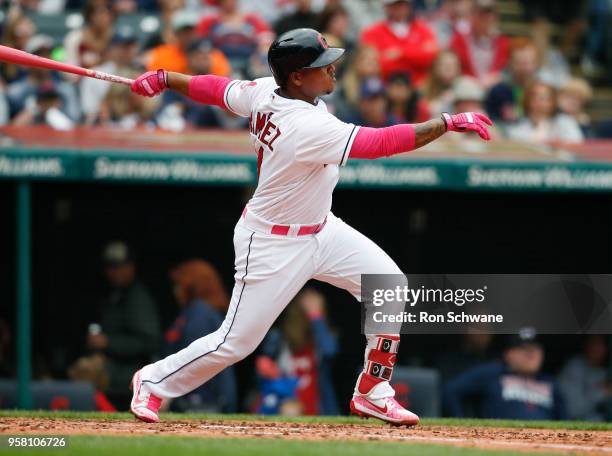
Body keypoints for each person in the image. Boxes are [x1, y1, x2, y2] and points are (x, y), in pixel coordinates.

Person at [127, 27, 492, 426]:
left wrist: (165, 78)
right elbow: (382, 143)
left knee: (390, 284)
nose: (333, 70)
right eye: (322, 66)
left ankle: (373, 391)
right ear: (298, 76)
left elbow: (215, 87)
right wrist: (446, 122)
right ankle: (152, 381)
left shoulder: (268, 90)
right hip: (272, 242)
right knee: (235, 342)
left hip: (321, 229)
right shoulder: (305, 126)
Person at [91, 241, 161, 409]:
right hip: (112, 376)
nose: (115, 272)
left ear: (131, 267)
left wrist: (108, 343)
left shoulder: (138, 298)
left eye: (121, 266)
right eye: (111, 267)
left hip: (129, 380)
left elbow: (150, 342)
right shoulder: (112, 294)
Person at [161, 259, 237, 413]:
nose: (175, 290)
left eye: (178, 284)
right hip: (195, 395)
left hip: (202, 399)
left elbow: (196, 359)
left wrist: (168, 390)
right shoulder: (192, 311)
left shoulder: (200, 313)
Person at [443, 329, 567, 420]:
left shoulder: (550, 382)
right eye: (524, 348)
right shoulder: (493, 373)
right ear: (508, 354)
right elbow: (451, 390)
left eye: (536, 348)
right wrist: (459, 423)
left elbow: (565, 420)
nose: (532, 354)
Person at [255, 287, 339, 415]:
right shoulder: (278, 338)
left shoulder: (323, 336)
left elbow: (329, 351)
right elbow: (261, 373)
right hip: (284, 407)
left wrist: (315, 316)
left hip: (318, 408)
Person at [360, 0, 438, 85]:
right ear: (386, 7)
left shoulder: (424, 30)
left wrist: (401, 53)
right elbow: (371, 64)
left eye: (402, 4)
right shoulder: (372, 33)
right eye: (395, 5)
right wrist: (416, 54)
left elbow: (431, 57)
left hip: (419, 87)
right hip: (385, 88)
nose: (399, 8)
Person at [80, 26, 140, 125]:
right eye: (124, 46)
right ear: (112, 48)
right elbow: (89, 114)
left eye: (132, 46)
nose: (129, 50)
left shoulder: (142, 74)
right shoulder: (95, 75)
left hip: (138, 127)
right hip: (106, 128)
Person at [147, 9, 231, 76]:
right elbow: (156, 80)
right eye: (184, 31)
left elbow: (223, 81)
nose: (188, 35)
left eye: (191, 31)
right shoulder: (163, 54)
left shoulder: (211, 54)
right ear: (175, 34)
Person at [197, 0, 271, 75]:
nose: (230, 2)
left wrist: (259, 56)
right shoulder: (209, 21)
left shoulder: (252, 19)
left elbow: (266, 40)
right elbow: (201, 43)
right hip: (220, 61)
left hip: (250, 61)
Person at [449, 0, 509, 88]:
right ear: (472, 15)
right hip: (466, 87)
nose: (486, 18)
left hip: (492, 89)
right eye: (481, 14)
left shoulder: (503, 42)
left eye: (489, 14)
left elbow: (505, 71)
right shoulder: (459, 39)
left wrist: (494, 78)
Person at [505, 80, 583, 144]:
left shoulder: (565, 122)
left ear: (553, 102)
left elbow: (576, 143)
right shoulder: (517, 126)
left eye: (546, 99)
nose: (540, 103)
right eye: (535, 98)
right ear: (527, 101)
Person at [485, 39, 539, 123]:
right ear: (510, 63)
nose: (525, 68)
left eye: (529, 63)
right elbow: (491, 120)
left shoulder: (542, 91)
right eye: (520, 63)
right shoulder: (498, 91)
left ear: (536, 63)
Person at [559, 335, 611, 421]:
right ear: (586, 345)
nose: (596, 348)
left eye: (600, 344)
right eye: (593, 343)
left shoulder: (604, 372)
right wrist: (602, 392)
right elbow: (572, 410)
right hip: (575, 427)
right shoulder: (574, 368)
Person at [63, 0, 115, 71]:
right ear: (90, 16)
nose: (104, 18)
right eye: (100, 13)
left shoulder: (116, 38)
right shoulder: (75, 38)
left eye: (107, 14)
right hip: (81, 79)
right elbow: (69, 70)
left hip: (110, 79)